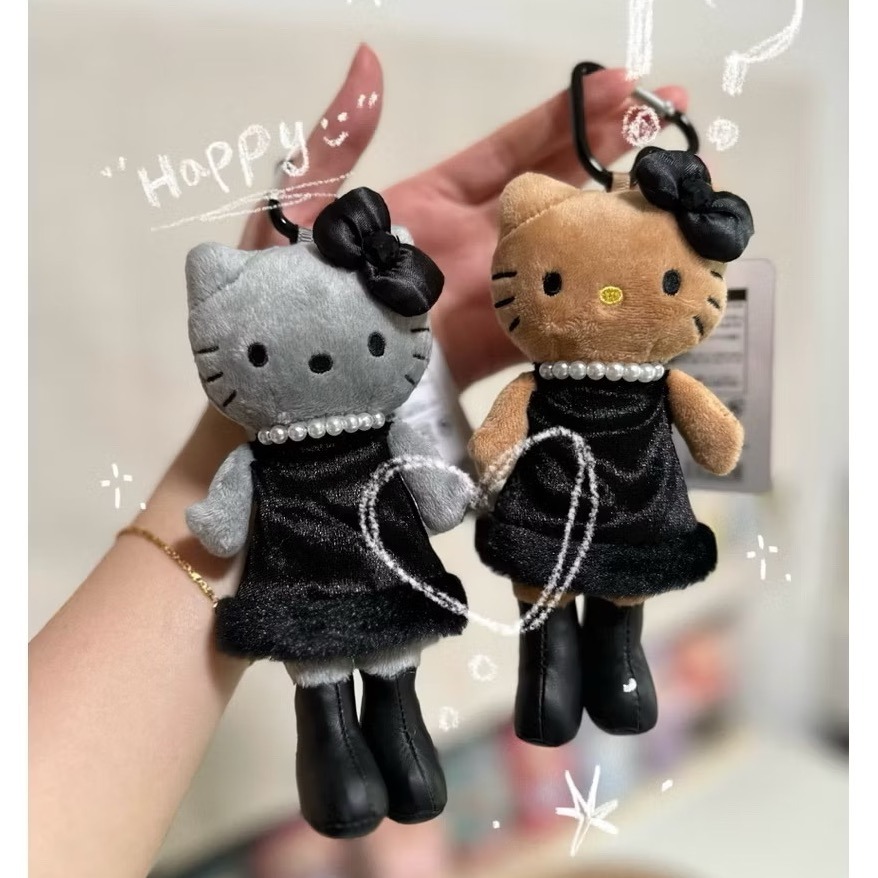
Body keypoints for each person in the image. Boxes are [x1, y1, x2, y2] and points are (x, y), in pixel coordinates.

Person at [28, 44, 687, 878]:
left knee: (389, 670)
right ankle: (347, 759)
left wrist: (460, 484)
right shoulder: (290, 445)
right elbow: (247, 507)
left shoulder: (406, 420)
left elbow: (424, 482)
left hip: (381, 563)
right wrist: (461, 484)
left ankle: (400, 747)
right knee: (339, 680)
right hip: (352, 572)